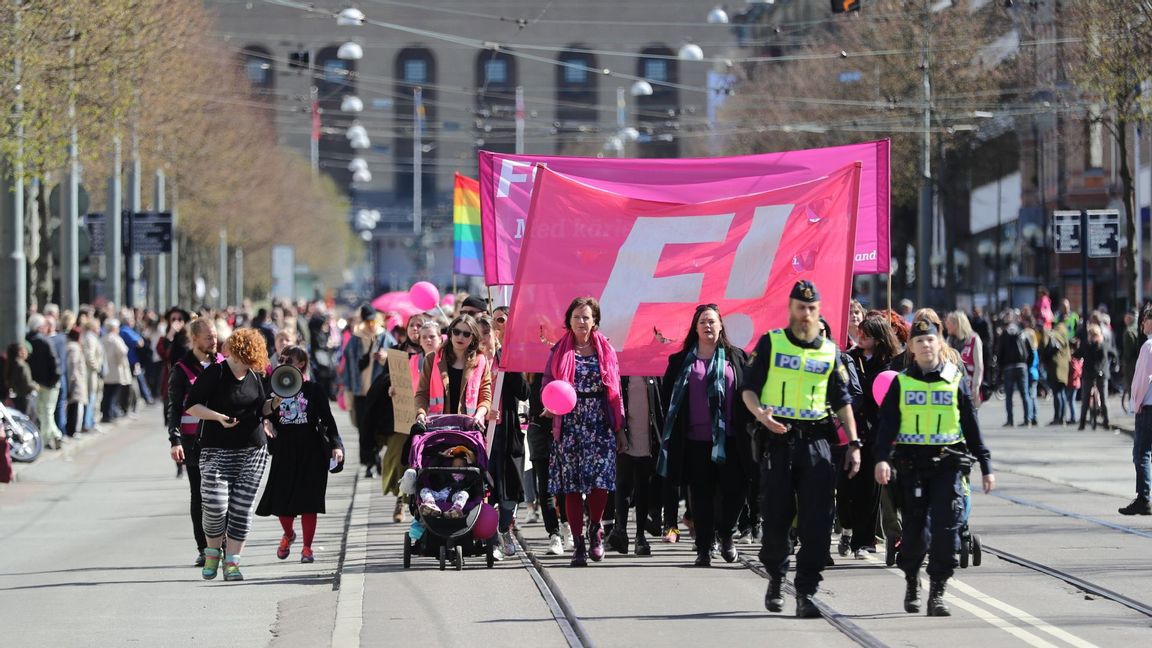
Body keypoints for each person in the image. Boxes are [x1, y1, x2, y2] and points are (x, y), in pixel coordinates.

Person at [741, 280, 861, 618]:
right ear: (791, 308)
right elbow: (749, 389)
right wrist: (760, 415)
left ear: (818, 311)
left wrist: (854, 443)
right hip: (778, 441)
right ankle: (777, 578)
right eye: (800, 307)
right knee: (776, 518)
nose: (806, 314)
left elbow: (842, 399)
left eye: (811, 308)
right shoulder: (771, 343)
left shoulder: (829, 351)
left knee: (818, 522)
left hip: (816, 443)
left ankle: (806, 592)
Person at [874, 319, 995, 617]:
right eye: (919, 341)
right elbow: (887, 426)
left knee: (946, 532)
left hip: (948, 466)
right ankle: (913, 580)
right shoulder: (901, 383)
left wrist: (986, 464)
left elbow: (970, 424)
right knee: (916, 534)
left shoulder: (955, 379)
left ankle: (938, 592)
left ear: (939, 343)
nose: (926, 345)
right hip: (912, 467)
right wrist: (881, 459)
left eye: (930, 340)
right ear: (912, 349)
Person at [657, 304, 752, 567]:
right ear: (695, 328)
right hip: (695, 442)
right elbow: (668, 400)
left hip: (732, 440)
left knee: (736, 492)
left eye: (712, 321)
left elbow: (749, 393)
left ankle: (726, 533)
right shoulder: (680, 361)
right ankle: (704, 547)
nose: (708, 326)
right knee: (702, 497)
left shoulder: (737, 357)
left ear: (721, 325)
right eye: (702, 322)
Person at [185, 328, 281, 582]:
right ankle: (213, 552)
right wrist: (218, 417)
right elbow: (192, 405)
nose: (249, 366)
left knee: (241, 509)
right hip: (216, 450)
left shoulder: (254, 376)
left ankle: (232, 563)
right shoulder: (214, 373)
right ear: (237, 354)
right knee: (216, 506)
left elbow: (261, 408)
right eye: (246, 360)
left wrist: (276, 402)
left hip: (252, 451)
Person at [542, 297, 625, 567]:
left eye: (586, 317)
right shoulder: (558, 351)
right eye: (577, 316)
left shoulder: (606, 350)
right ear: (569, 320)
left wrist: (619, 427)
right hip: (569, 424)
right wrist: (548, 406)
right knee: (572, 487)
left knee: (601, 482)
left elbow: (615, 391)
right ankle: (578, 542)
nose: (581, 321)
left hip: (600, 422)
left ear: (595, 321)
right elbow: (547, 384)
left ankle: (596, 528)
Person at [256, 345, 345, 563]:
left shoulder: (313, 389)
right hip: (284, 450)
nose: (283, 364)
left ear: (301, 364)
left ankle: (307, 548)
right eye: (281, 360)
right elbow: (261, 412)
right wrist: (266, 422)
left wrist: (336, 445)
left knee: (309, 501)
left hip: (311, 450)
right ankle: (288, 534)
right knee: (282, 502)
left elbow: (327, 419)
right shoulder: (273, 388)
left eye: (288, 360)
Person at [840, 315, 901, 558]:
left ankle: (863, 542)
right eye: (860, 333)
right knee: (844, 488)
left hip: (877, 432)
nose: (860, 337)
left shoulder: (891, 363)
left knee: (869, 490)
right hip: (851, 430)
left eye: (866, 334)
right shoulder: (849, 358)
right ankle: (845, 525)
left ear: (878, 337)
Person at [166, 318, 224, 566]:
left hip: (222, 439)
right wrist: (175, 439)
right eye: (209, 337)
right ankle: (204, 548)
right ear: (195, 339)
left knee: (223, 495)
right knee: (200, 495)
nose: (214, 341)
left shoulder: (223, 364)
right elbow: (174, 407)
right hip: (193, 442)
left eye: (215, 336)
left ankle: (223, 544)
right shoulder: (181, 369)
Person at [477, 315, 529, 561]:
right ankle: (491, 538)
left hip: (506, 431)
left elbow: (524, 391)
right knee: (485, 487)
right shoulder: (473, 362)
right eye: (479, 334)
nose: (483, 339)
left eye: (487, 333)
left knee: (509, 486)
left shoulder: (503, 358)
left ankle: (504, 529)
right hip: (479, 432)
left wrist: (512, 361)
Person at [606, 373, 662, 557]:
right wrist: (618, 429)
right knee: (622, 484)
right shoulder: (621, 373)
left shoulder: (653, 374)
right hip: (624, 435)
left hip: (647, 436)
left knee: (643, 486)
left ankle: (640, 536)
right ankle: (620, 530)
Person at [340, 304, 394, 478]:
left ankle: (376, 458)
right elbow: (347, 366)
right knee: (363, 428)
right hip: (359, 391)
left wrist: (386, 358)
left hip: (379, 393)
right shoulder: (355, 339)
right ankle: (369, 462)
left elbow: (399, 357)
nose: (370, 324)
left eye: (372, 319)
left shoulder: (385, 337)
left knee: (377, 427)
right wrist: (346, 389)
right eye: (367, 320)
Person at [1121, 306, 1152, 515]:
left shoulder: (1148, 347)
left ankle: (1144, 497)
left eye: (1146, 320)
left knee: (1141, 452)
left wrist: (1136, 403)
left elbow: (1142, 380)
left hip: (1148, 406)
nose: (1142, 324)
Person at [26, 314, 63, 449]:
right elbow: (54, 361)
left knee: (42, 411)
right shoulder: (45, 341)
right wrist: (56, 379)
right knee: (47, 411)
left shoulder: (27, 340)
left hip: (37, 382)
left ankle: (51, 436)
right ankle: (50, 436)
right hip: (49, 382)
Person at [996, 311, 1036, 427]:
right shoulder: (1023, 333)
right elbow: (1031, 352)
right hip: (1022, 366)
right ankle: (1027, 419)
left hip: (1008, 367)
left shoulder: (1004, 334)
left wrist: (1001, 367)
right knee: (1025, 394)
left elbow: (1000, 352)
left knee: (1009, 395)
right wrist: (1027, 365)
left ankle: (1010, 420)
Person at [417, 446, 478, 518]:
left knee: (464, 494)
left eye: (460, 467)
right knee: (424, 490)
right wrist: (441, 457)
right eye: (454, 466)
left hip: (454, 496)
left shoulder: (467, 476)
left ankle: (455, 509)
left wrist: (471, 464)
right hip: (440, 494)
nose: (457, 469)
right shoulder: (446, 473)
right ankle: (430, 504)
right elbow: (433, 472)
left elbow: (472, 481)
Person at [1075, 324, 1113, 430]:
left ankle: (1105, 421)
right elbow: (1078, 354)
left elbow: (1108, 355)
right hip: (1092, 374)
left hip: (1097, 374)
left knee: (1099, 398)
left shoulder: (1100, 346)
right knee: (1087, 399)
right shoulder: (1091, 345)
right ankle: (1086, 422)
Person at [945, 311, 984, 408]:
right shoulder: (949, 340)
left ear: (957, 324)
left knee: (969, 417)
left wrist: (976, 386)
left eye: (948, 323)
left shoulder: (974, 339)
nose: (946, 325)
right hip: (953, 386)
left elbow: (979, 366)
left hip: (969, 386)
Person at [101, 319, 132, 423]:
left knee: (107, 394)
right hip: (115, 369)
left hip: (106, 370)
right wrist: (119, 362)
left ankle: (107, 413)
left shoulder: (103, 338)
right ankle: (110, 414)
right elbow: (123, 352)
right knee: (113, 394)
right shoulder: (116, 339)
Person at [1044, 322, 1074, 425]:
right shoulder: (1065, 339)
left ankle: (1057, 417)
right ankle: (1063, 417)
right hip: (1064, 368)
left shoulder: (1054, 335)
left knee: (1057, 393)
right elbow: (1069, 357)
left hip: (1055, 367)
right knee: (1062, 393)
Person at [63, 328, 88, 438]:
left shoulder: (70, 346)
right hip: (76, 381)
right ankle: (73, 430)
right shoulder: (74, 348)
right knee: (76, 405)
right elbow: (72, 365)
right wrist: (72, 380)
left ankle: (72, 429)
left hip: (75, 380)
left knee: (73, 405)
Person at [5, 342, 35, 415]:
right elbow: (28, 383)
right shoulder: (22, 365)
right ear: (20, 352)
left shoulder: (10, 364)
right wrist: (36, 386)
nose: (26, 352)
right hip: (25, 396)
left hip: (16, 396)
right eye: (24, 350)